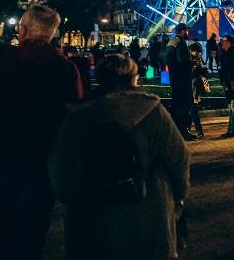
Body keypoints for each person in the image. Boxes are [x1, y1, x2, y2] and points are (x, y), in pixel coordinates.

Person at [0, 4, 84, 259]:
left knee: (1, 232)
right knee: (32, 234)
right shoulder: (64, 69)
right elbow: (74, 115)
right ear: (52, 34)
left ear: (23, 30)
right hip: (40, 162)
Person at [48, 55, 189, 259]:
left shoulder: (79, 116)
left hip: (92, 209)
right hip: (147, 205)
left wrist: (68, 195)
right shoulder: (151, 111)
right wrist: (179, 196)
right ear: (133, 79)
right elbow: (178, 156)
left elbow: (59, 164)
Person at [163, 23, 197, 140]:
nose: (187, 32)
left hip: (174, 78)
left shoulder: (171, 42)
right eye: (186, 30)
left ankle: (175, 131)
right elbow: (183, 61)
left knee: (176, 105)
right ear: (183, 31)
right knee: (185, 105)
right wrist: (192, 63)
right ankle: (184, 131)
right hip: (183, 79)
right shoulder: (180, 43)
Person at [187, 43, 208, 138]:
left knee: (193, 109)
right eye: (197, 51)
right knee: (193, 110)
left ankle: (194, 130)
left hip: (195, 87)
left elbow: (203, 72)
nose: (198, 53)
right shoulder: (190, 60)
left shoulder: (197, 59)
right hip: (193, 87)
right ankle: (195, 130)